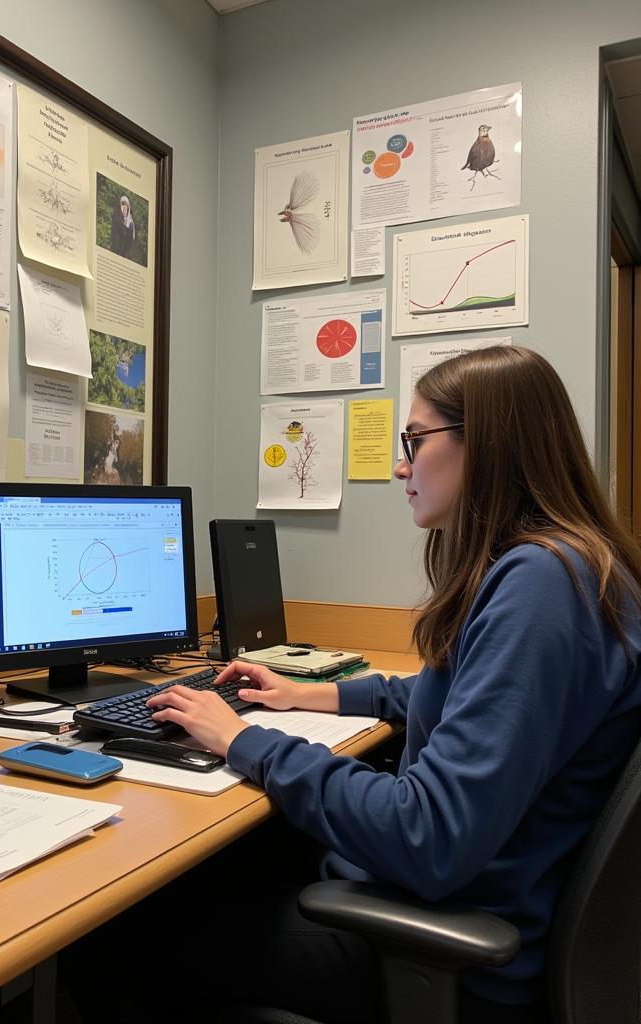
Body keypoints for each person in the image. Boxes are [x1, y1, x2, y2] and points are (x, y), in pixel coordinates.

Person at [62, 346, 641, 1024]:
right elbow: (458, 696)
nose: (401, 464)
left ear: (485, 446)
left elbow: (430, 837)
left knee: (101, 929)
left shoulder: (541, 589)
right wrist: (312, 693)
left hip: (455, 954)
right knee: (220, 865)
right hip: (472, 901)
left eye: (416, 440)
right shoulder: (569, 571)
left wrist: (244, 740)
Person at [109, 194, 135, 259]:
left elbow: (130, 240)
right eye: (123, 204)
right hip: (115, 249)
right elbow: (113, 235)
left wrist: (127, 252)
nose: (124, 207)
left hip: (124, 253)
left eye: (126, 205)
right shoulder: (116, 219)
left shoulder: (131, 223)